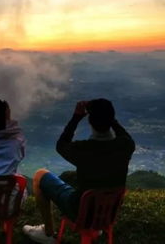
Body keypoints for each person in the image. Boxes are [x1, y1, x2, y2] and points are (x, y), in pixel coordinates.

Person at [23, 98, 135, 244]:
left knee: (40, 175)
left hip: (79, 210)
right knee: (74, 178)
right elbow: (125, 136)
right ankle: (98, 221)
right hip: (110, 211)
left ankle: (48, 233)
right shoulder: (125, 145)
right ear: (111, 119)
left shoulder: (83, 149)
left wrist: (76, 117)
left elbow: (61, 144)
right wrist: (109, 118)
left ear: (90, 121)